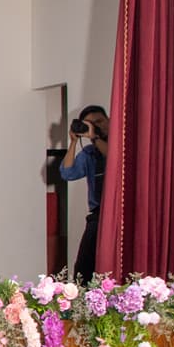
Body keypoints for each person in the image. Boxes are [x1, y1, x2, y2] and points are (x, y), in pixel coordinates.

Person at [60, 106, 108, 283]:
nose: (96, 127)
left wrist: (95, 136)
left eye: (99, 122)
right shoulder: (90, 153)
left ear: (109, 120)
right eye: (91, 124)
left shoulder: (121, 144)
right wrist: (73, 142)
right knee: (83, 268)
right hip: (98, 215)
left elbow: (114, 159)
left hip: (123, 214)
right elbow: (67, 173)